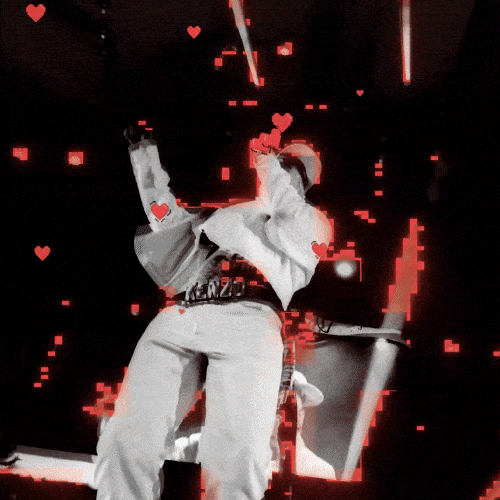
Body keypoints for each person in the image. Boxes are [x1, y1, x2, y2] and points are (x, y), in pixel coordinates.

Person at [94, 128, 332, 500]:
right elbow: (163, 216)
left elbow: (282, 205)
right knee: (125, 438)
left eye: (291, 168)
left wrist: (268, 162)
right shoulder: (228, 216)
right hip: (185, 310)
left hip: (251, 319)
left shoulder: (313, 223)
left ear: (303, 181)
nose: (280, 170)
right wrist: (144, 154)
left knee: (238, 461)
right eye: (281, 163)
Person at [173, 370, 336, 481]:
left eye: (293, 411)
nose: (285, 419)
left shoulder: (319, 471)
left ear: (302, 415)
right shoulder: (203, 447)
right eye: (276, 409)